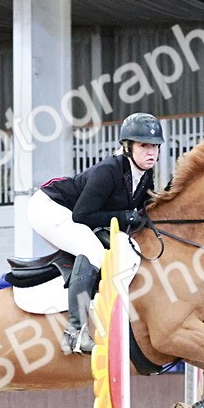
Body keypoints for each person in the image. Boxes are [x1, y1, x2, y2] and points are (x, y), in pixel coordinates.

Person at [28, 112, 164, 354]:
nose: (151, 152)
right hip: (49, 207)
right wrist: (124, 216)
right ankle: (75, 332)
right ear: (127, 146)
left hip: (74, 213)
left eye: (155, 146)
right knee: (91, 249)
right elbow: (82, 215)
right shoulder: (109, 171)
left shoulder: (145, 176)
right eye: (144, 146)